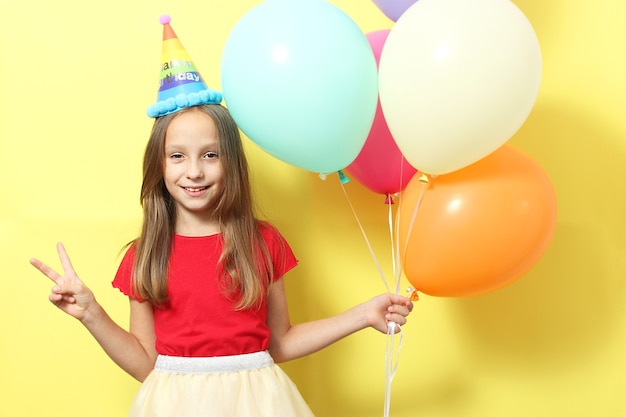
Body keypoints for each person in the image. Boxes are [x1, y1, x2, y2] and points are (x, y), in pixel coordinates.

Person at [29, 16, 414, 417]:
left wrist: (362, 315)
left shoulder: (262, 243)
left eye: (209, 155)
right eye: (177, 156)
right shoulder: (144, 256)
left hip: (259, 404)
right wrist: (91, 314)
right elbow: (146, 364)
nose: (193, 171)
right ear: (158, 167)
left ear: (231, 163)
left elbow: (278, 342)